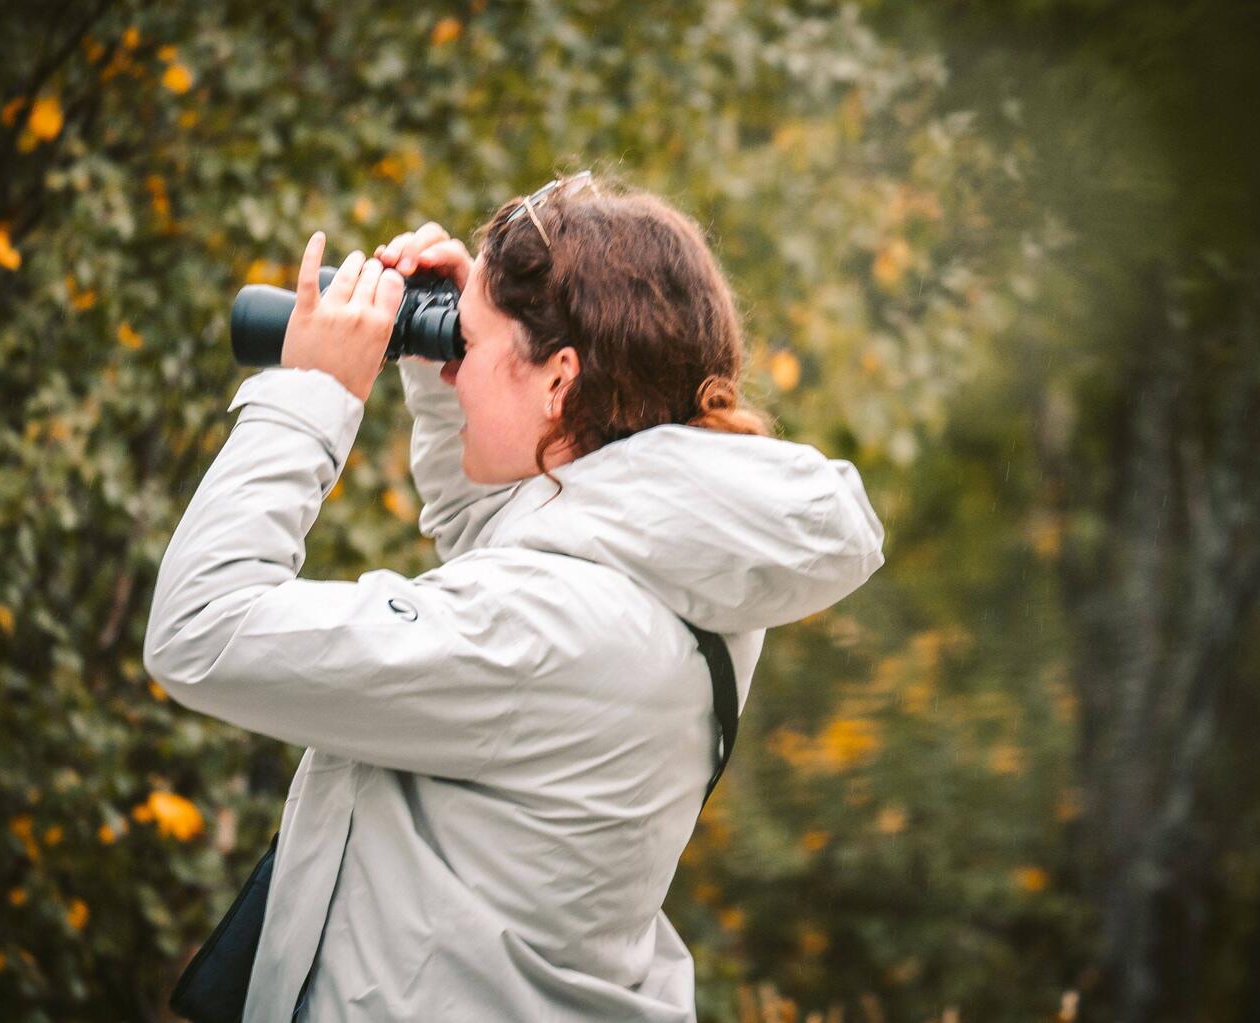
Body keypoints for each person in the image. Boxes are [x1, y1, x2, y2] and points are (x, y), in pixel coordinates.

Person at [143, 171, 885, 1022]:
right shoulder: (682, 566)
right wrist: (449, 363)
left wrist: (312, 396)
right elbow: (513, 544)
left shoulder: (544, 627)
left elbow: (203, 628)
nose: (458, 370)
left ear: (560, 379)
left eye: (471, 345)